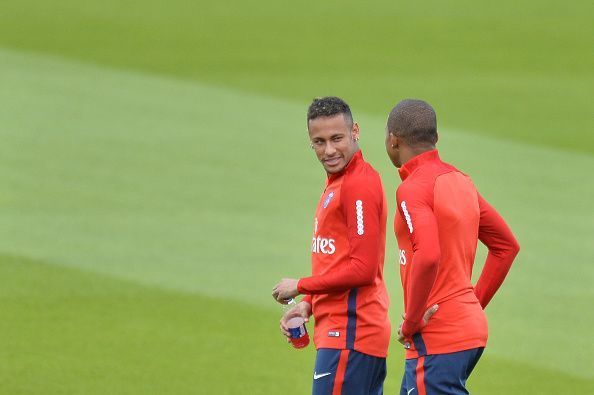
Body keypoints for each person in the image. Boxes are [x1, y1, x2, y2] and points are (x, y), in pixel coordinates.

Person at [384, 99, 520, 395]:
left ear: (393, 140)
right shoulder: (461, 181)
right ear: (436, 139)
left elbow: (428, 255)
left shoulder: (412, 189)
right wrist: (471, 304)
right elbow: (506, 247)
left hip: (437, 336)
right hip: (466, 330)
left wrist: (411, 321)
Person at [272, 96, 391, 395]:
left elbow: (363, 270)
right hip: (345, 335)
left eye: (336, 138)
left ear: (355, 131)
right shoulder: (339, 181)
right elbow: (339, 258)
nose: (328, 150)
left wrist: (300, 285)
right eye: (319, 141)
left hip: (351, 334)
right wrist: (308, 304)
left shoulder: (358, 185)